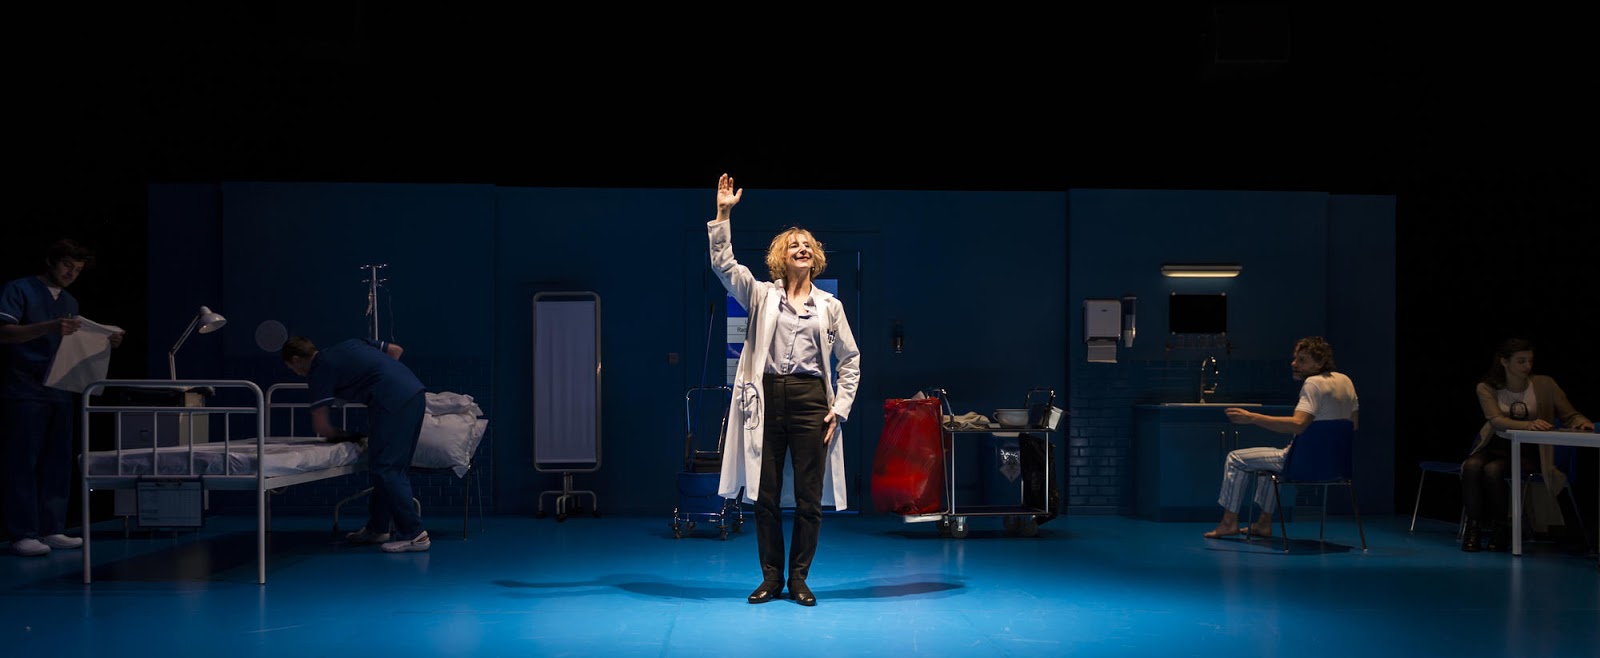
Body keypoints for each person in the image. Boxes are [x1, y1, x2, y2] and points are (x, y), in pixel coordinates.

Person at [709, 173, 861, 606]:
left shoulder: (830, 307)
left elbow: (850, 360)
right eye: (794, 244)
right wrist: (723, 214)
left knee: (810, 498)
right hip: (768, 398)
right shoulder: (761, 296)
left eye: (807, 244)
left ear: (815, 257)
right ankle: (771, 578)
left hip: (811, 401)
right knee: (766, 495)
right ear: (782, 255)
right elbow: (724, 265)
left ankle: (799, 579)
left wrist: (840, 408)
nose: (802, 248)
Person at [1, 239, 125, 557]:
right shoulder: (20, 290)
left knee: (57, 461)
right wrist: (48, 327)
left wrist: (105, 340)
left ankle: (52, 527)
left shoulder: (69, 301)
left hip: (60, 388)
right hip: (26, 387)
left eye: (78, 269)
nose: (71, 273)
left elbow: (74, 341)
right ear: (51, 261)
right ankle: (22, 532)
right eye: (67, 265)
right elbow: (4, 331)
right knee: (23, 461)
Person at [282, 335, 430, 553]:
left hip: (392, 400)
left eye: (292, 368)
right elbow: (396, 350)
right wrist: (383, 379)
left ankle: (414, 534)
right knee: (389, 468)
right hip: (414, 393)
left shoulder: (318, 371)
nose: (296, 373)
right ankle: (378, 528)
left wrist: (351, 436)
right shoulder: (350, 344)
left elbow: (322, 427)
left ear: (296, 360)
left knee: (386, 469)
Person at [1203, 336, 1359, 539]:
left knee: (1235, 458)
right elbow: (1353, 425)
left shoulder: (1313, 384)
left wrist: (1252, 418)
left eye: (1302, 360)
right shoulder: (1345, 381)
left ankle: (1228, 522)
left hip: (1302, 464)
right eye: (1295, 358)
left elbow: (1298, 424)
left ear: (1320, 363)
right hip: (1336, 467)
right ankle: (1263, 524)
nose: (1294, 364)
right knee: (1267, 467)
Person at [1460, 338, 1593, 552]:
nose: (1527, 366)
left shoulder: (1545, 384)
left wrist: (1582, 422)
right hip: (1498, 443)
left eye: (1530, 361)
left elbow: (1569, 414)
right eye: (1521, 361)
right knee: (1471, 466)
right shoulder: (1486, 387)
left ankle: (1501, 528)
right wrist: (1528, 424)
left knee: (1493, 471)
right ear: (1504, 362)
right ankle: (1473, 528)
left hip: (1530, 449)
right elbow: (1496, 420)